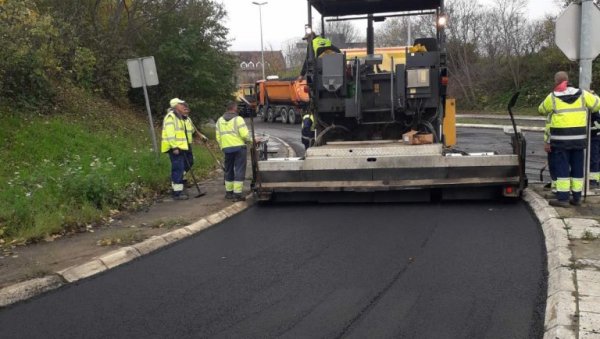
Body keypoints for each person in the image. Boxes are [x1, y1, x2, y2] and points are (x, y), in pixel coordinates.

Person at [538, 72, 600, 207]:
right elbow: (597, 105)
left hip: (560, 141)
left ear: (556, 81)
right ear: (567, 80)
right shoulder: (583, 94)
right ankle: (576, 197)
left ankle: (563, 199)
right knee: (578, 167)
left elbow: (541, 109)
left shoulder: (553, 96)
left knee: (562, 169)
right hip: (579, 139)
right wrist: (592, 94)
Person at [161, 98, 208, 200]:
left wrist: (200, 136)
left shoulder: (184, 118)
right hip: (176, 147)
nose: (184, 106)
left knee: (189, 162)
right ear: (175, 106)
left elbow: (191, 131)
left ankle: (177, 178)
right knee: (178, 167)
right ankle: (177, 192)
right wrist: (174, 147)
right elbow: (170, 134)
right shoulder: (171, 117)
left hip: (185, 145)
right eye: (181, 104)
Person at [216, 101, 251, 201]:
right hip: (239, 148)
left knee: (228, 169)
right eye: (237, 108)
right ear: (234, 108)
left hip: (227, 148)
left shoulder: (219, 120)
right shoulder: (238, 119)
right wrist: (252, 140)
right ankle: (237, 194)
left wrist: (222, 146)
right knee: (239, 169)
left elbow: (218, 136)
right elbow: (244, 135)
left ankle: (229, 193)